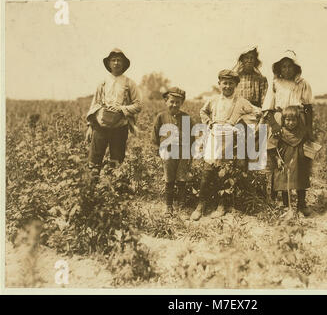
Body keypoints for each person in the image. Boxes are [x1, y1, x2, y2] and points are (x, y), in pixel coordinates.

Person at [190, 70, 262, 221]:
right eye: (225, 83)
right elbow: (203, 111)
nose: (227, 86)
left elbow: (257, 113)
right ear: (219, 84)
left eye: (231, 83)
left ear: (236, 85)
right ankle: (201, 204)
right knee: (208, 170)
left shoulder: (241, 101)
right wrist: (209, 122)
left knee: (225, 172)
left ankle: (222, 205)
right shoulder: (214, 100)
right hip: (214, 135)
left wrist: (241, 121)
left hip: (230, 138)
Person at [261, 50, 315, 203]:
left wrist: (308, 130)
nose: (287, 70)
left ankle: (301, 202)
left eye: (290, 66)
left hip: (298, 122)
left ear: (296, 68)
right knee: (279, 160)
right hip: (280, 121)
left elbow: (308, 107)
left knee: (300, 161)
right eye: (283, 67)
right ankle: (281, 199)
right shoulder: (275, 83)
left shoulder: (302, 83)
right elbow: (267, 108)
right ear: (279, 68)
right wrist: (275, 126)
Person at [85, 48, 142, 176]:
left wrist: (122, 109)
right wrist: (90, 127)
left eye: (119, 60)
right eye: (113, 60)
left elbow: (138, 105)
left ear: (123, 64)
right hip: (100, 125)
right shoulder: (103, 82)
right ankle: (93, 191)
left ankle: (114, 190)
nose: (116, 63)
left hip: (119, 126)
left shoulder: (129, 83)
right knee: (94, 162)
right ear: (109, 63)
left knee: (116, 162)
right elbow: (95, 104)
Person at [152, 87, 194, 215]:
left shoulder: (186, 117)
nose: (174, 104)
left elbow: (191, 137)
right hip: (168, 152)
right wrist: (156, 150)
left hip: (183, 152)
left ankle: (181, 205)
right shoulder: (161, 116)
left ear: (181, 103)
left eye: (177, 102)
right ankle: (169, 206)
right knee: (169, 180)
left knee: (182, 179)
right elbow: (155, 134)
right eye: (172, 101)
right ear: (166, 101)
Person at [272, 106, 312, 216]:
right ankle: (287, 206)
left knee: (301, 182)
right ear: (283, 120)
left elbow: (308, 144)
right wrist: (278, 159)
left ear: (298, 120)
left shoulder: (302, 132)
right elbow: (272, 147)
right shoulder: (280, 132)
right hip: (285, 161)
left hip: (300, 161)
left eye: (293, 120)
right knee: (286, 183)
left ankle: (301, 205)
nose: (291, 123)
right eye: (288, 120)